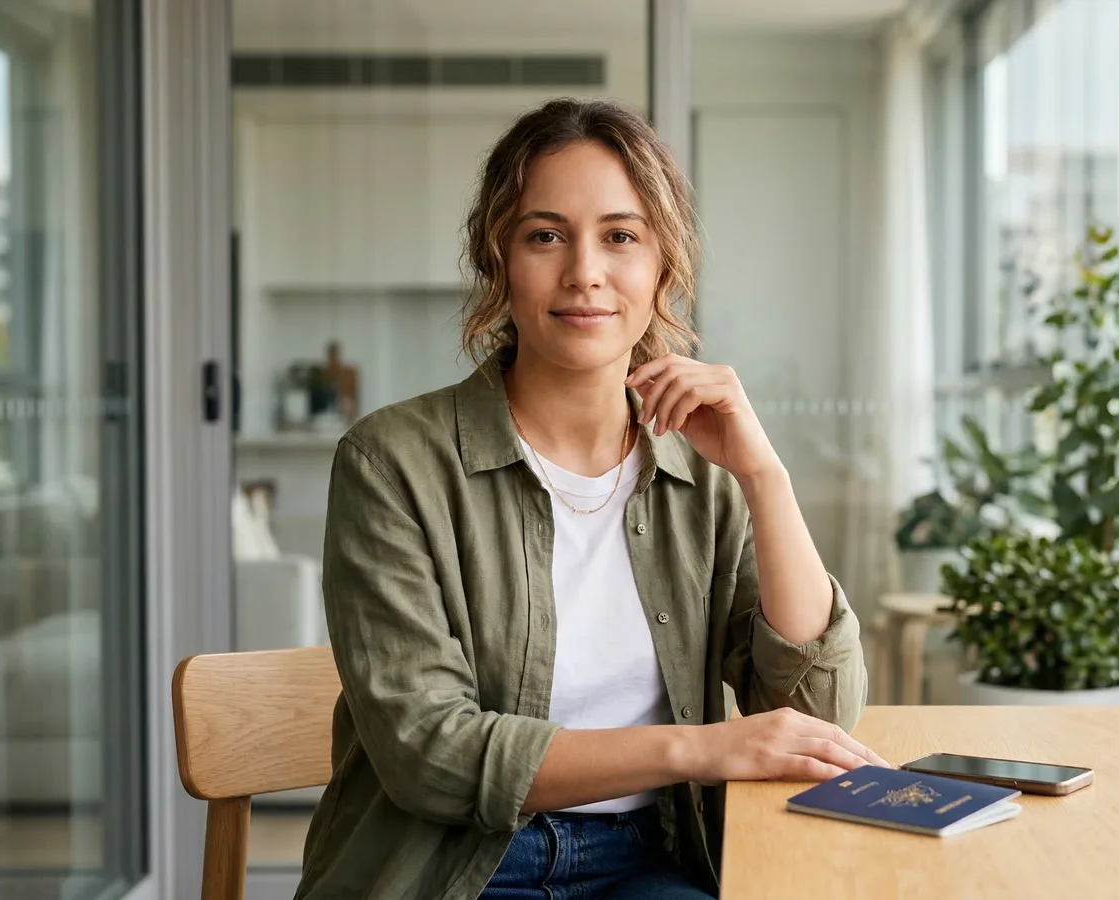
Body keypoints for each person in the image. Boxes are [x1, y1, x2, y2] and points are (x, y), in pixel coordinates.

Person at [293, 98, 885, 900]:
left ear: (663, 267)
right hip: (451, 870)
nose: (584, 272)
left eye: (620, 236)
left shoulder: (704, 469)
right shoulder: (390, 463)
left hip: (649, 860)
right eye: (545, 235)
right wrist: (704, 748)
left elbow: (819, 706)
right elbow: (429, 753)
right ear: (498, 258)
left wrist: (764, 476)